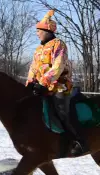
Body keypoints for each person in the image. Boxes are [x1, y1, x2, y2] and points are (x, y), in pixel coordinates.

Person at [25, 10, 88, 156]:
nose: (37, 33)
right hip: (41, 87)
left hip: (60, 86)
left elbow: (58, 66)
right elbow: (33, 68)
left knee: (62, 111)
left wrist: (44, 82)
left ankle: (78, 141)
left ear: (47, 30)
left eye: (39, 30)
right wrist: (30, 82)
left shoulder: (58, 44)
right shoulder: (38, 49)